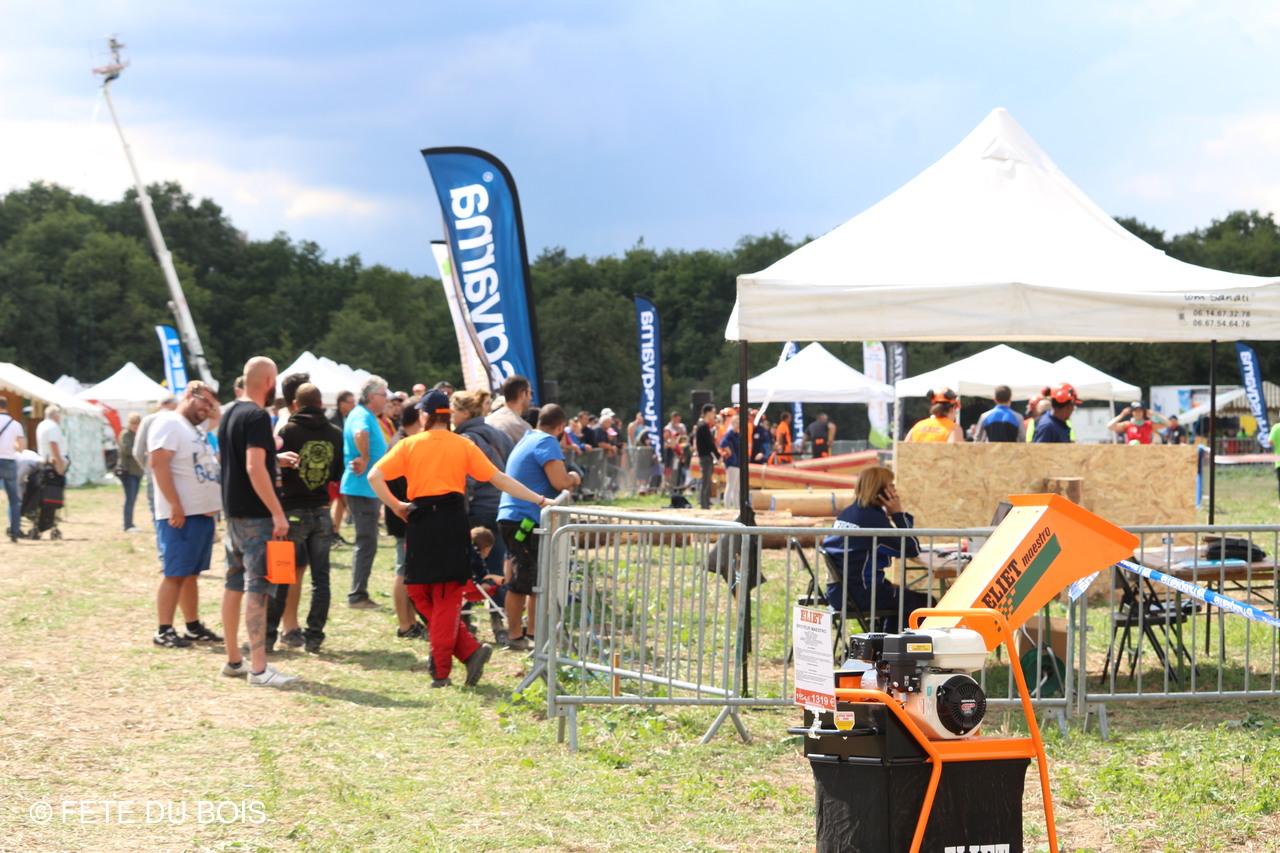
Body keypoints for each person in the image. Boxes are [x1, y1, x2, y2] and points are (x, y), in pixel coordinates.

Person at [368, 389, 555, 687]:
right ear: (447, 416)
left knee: (420, 592)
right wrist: (540, 499)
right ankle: (466, 652)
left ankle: (442, 671)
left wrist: (396, 506)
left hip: (420, 523)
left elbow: (374, 476)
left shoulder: (408, 444)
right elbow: (500, 479)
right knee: (445, 596)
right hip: (452, 522)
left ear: (424, 416)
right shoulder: (463, 444)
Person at [217, 356, 300, 687]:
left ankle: (233, 660)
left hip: (234, 513)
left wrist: (274, 461)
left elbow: (243, 461)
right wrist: (277, 513)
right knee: (258, 587)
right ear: (270, 381)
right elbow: (252, 466)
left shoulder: (229, 412)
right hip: (257, 515)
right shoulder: (257, 416)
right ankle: (259, 669)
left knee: (233, 583)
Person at [496, 404, 581, 652]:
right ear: (561, 427)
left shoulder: (528, 438)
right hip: (524, 520)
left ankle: (534, 633)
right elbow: (560, 481)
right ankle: (515, 635)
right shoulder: (547, 441)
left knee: (535, 581)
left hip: (517, 518)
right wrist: (574, 477)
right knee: (522, 582)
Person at [269, 383, 343, 654]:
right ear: (321, 404)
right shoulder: (335, 432)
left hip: (292, 511)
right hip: (322, 510)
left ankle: (269, 635)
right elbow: (337, 474)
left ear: (295, 405)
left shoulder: (287, 431)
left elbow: (277, 469)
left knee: (282, 575)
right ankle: (314, 636)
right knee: (321, 579)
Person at [149, 381, 224, 649]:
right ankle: (163, 630)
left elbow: (217, 416)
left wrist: (210, 403)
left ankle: (192, 627)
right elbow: (158, 463)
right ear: (188, 395)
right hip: (180, 515)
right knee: (175, 573)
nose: (208, 409)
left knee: (191, 574)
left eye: (211, 404)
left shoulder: (194, 428)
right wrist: (175, 504)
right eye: (204, 401)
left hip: (199, 514)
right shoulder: (169, 422)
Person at [821, 466, 927, 633]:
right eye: (891, 485)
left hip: (838, 593)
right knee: (924, 603)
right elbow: (911, 548)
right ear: (880, 491)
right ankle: (894, 645)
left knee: (901, 595)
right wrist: (898, 514)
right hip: (860, 595)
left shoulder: (849, 513)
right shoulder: (872, 519)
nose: (895, 490)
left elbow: (856, 562)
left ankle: (883, 642)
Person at [451, 389, 514, 580]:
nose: (450, 416)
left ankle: (473, 601)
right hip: (501, 507)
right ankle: (499, 600)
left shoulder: (465, 440)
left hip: (477, 510)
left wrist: (459, 515)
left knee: (471, 571)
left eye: (452, 411)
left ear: (465, 413)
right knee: (496, 572)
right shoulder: (500, 434)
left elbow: (465, 482)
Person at [341, 376, 390, 610]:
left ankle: (358, 593)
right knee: (366, 542)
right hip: (361, 487)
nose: (387, 399)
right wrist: (365, 457)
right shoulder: (362, 414)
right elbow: (360, 434)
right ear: (372, 396)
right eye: (384, 395)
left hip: (364, 488)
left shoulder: (364, 414)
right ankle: (357, 595)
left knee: (367, 541)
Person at [0, 396, 26, 541]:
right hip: (9, 462)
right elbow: (21, 448)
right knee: (14, 500)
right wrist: (11, 445)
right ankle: (15, 531)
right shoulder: (15, 424)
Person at [117, 413, 145, 531]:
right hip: (127, 471)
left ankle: (130, 524)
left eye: (138, 423)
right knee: (130, 498)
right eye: (133, 423)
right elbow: (126, 450)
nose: (136, 426)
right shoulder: (125, 434)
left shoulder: (139, 435)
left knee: (133, 498)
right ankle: (127, 524)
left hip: (137, 471)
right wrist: (141, 449)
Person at [487, 375, 534, 445]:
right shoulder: (523, 428)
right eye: (531, 393)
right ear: (523, 394)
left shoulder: (488, 420)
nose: (531, 398)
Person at [694, 404, 717, 510]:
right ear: (708, 413)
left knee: (707, 481)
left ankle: (705, 503)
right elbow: (710, 444)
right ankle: (704, 504)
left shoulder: (703, 425)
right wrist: (718, 455)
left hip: (706, 457)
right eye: (713, 412)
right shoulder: (703, 426)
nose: (714, 415)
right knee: (705, 481)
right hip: (705, 457)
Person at [36, 405, 67, 476]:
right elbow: (53, 443)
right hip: (53, 460)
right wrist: (59, 460)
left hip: (44, 458)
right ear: (55, 415)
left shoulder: (42, 424)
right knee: (57, 479)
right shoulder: (53, 426)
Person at [718, 416, 741, 511]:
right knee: (730, 485)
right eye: (736, 423)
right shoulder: (730, 434)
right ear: (732, 423)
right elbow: (722, 443)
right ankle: (727, 508)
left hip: (737, 462)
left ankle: (737, 508)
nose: (738, 425)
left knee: (736, 488)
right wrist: (729, 452)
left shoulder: (737, 434)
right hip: (732, 463)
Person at [662, 411, 689, 491]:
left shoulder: (681, 426)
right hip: (671, 453)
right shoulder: (668, 428)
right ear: (672, 418)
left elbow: (685, 436)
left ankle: (680, 487)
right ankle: (670, 487)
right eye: (677, 419)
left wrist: (679, 428)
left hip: (681, 451)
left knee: (681, 471)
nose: (678, 420)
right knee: (670, 471)